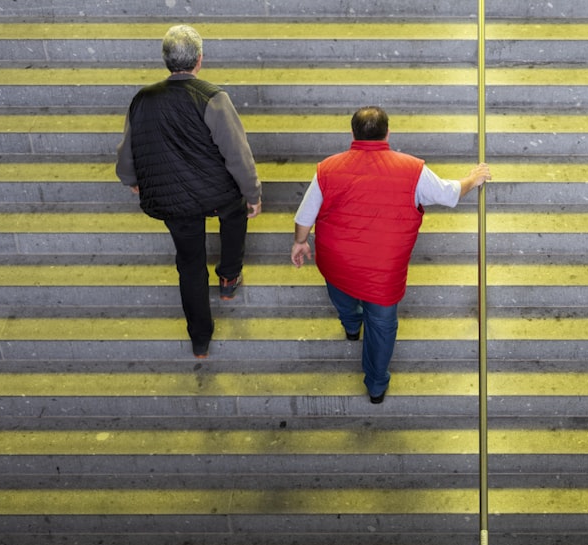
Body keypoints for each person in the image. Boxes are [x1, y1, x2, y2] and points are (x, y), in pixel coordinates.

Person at [291, 106, 491, 403]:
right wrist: (471, 179)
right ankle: (375, 384)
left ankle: (350, 326)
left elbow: (305, 216)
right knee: (382, 327)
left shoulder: (327, 168)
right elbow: (448, 194)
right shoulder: (412, 169)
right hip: (383, 274)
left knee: (342, 297)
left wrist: (300, 243)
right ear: (388, 133)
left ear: (352, 133)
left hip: (337, 262)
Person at [115, 24, 262, 358]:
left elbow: (127, 151)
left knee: (190, 263)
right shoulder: (213, 97)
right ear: (199, 59)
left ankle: (200, 340)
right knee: (235, 212)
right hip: (216, 192)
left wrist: (130, 178)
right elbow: (237, 154)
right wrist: (252, 194)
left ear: (167, 60)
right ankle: (228, 277)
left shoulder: (142, 99)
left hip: (172, 199)